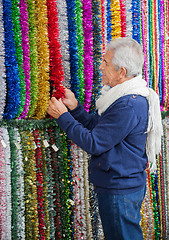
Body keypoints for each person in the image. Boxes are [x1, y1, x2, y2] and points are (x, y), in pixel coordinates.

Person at [47, 37, 163, 240]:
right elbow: (103, 130)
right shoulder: (126, 96)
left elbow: (95, 143)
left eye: (106, 63)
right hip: (122, 185)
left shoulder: (128, 104)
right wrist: (75, 109)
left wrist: (63, 117)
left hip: (120, 189)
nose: (100, 67)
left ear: (122, 72)